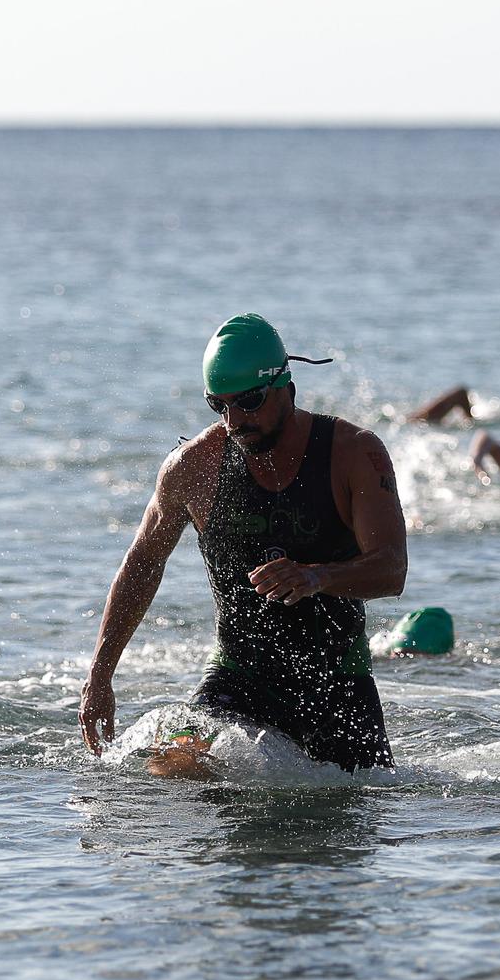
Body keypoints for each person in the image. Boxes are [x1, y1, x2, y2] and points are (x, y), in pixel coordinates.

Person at [78, 314, 408, 774]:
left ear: (286, 388)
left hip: (337, 682)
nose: (235, 421)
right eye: (220, 405)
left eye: (250, 402)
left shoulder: (353, 453)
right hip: (239, 678)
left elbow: (392, 570)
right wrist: (100, 675)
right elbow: (144, 561)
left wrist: (317, 576)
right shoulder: (192, 468)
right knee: (172, 769)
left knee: (353, 810)